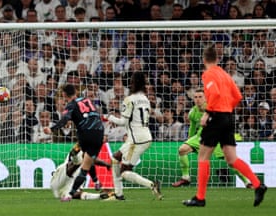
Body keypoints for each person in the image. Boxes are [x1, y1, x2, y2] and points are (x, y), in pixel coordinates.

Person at [183, 45, 267, 207]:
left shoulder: (208, 74)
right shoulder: (225, 74)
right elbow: (238, 96)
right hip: (228, 117)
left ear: (204, 59)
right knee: (231, 159)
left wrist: (208, 113)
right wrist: (226, 109)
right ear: (218, 59)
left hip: (216, 117)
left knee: (203, 157)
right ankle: (258, 184)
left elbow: (214, 94)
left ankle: (200, 198)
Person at [172, 88, 251, 188]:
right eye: (195, 97)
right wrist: (189, 140)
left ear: (206, 98)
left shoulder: (215, 110)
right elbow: (192, 127)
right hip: (200, 137)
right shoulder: (192, 112)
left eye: (200, 97)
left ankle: (247, 181)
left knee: (230, 161)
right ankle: (185, 177)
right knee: (182, 150)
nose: (197, 99)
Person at [104, 72, 163, 201]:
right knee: (115, 158)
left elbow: (123, 122)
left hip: (136, 140)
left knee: (124, 171)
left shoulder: (129, 99)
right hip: (143, 136)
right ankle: (118, 194)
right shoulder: (145, 99)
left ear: (133, 83)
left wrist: (108, 117)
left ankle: (152, 184)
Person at [44, 84, 104, 202]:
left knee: (84, 164)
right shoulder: (87, 100)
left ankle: (69, 195)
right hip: (99, 132)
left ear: (65, 95)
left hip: (86, 134)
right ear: (76, 91)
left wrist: (52, 129)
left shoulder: (71, 105)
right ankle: (96, 182)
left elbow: (65, 119)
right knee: (89, 157)